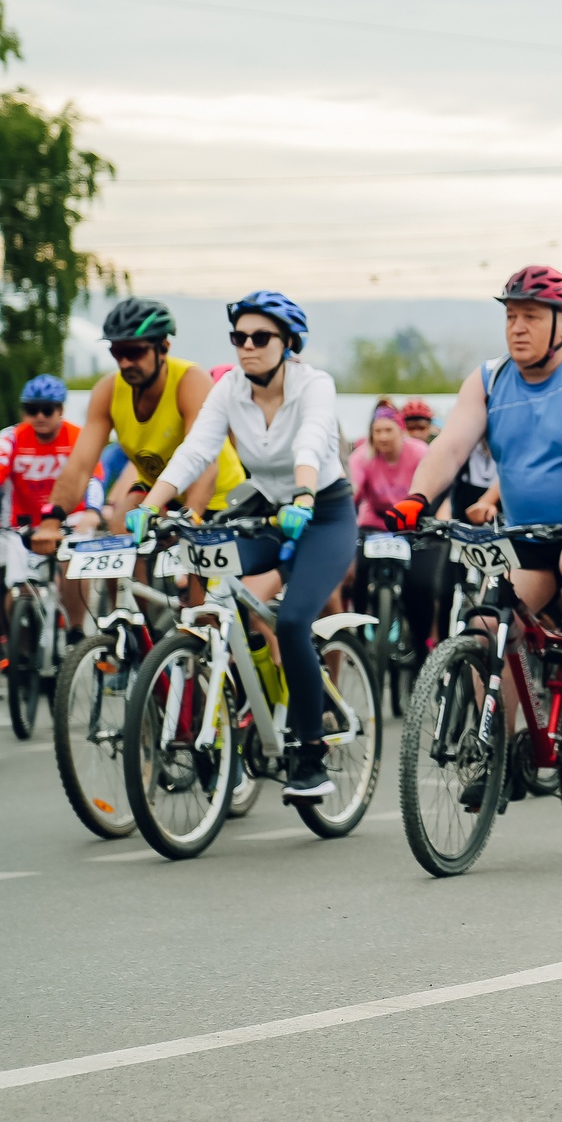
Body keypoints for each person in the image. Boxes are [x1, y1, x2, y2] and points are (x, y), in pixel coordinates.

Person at [384, 267, 562, 740]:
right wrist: (416, 499)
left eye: (530, 316)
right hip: (528, 534)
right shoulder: (488, 380)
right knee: (486, 629)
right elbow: (449, 449)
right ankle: (495, 754)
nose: (517, 328)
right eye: (510, 316)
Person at [126, 294, 355, 801]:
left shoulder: (313, 384)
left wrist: (303, 491)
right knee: (215, 596)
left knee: (294, 620)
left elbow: (312, 440)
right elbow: (197, 449)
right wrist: (154, 504)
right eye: (239, 338)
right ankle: (237, 724)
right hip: (267, 512)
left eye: (259, 338)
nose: (246, 347)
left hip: (322, 512)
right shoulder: (230, 388)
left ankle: (311, 753)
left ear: (288, 343)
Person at [45, 297, 249, 635]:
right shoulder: (109, 390)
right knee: (118, 521)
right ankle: (132, 629)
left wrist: (191, 519)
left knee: (200, 618)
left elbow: (205, 464)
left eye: (135, 351)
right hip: (158, 493)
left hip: (214, 498)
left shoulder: (190, 380)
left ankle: (201, 662)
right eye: (116, 352)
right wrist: (51, 518)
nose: (125, 362)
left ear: (163, 347)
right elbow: (81, 465)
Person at [4, 376, 76, 534]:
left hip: (70, 524)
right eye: (32, 410)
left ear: (61, 410)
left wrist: (93, 511)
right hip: (22, 528)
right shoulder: (10, 439)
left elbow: (94, 479)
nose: (39, 416)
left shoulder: (78, 437)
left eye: (47, 410)